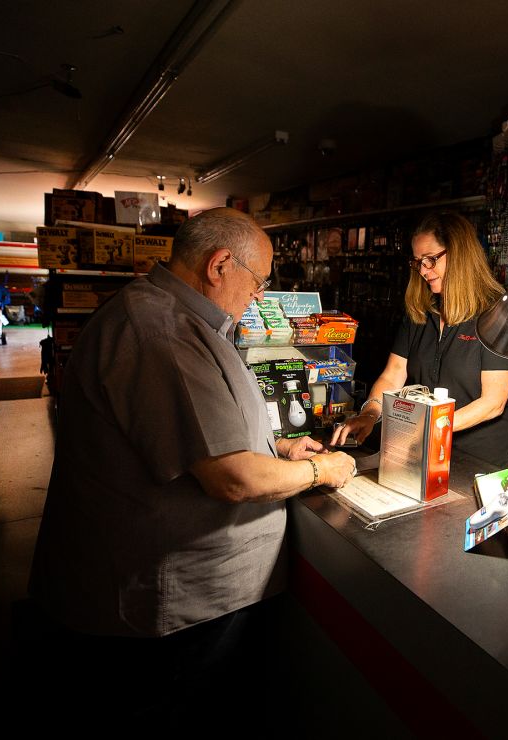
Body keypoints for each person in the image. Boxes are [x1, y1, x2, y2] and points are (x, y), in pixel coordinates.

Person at [27, 208, 355, 725]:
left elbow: (208, 433)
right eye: (259, 281)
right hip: (169, 611)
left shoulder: (184, 320)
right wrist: (325, 472)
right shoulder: (163, 332)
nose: (260, 297)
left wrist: (279, 450)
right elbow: (232, 477)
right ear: (220, 264)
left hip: (184, 603)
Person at [329, 211, 508, 468]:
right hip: (427, 450)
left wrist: (424, 427)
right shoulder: (421, 310)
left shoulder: (501, 312)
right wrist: (370, 413)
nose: (422, 270)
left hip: (483, 460)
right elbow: (393, 374)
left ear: (460, 255)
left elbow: (492, 403)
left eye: (430, 260)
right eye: (418, 262)